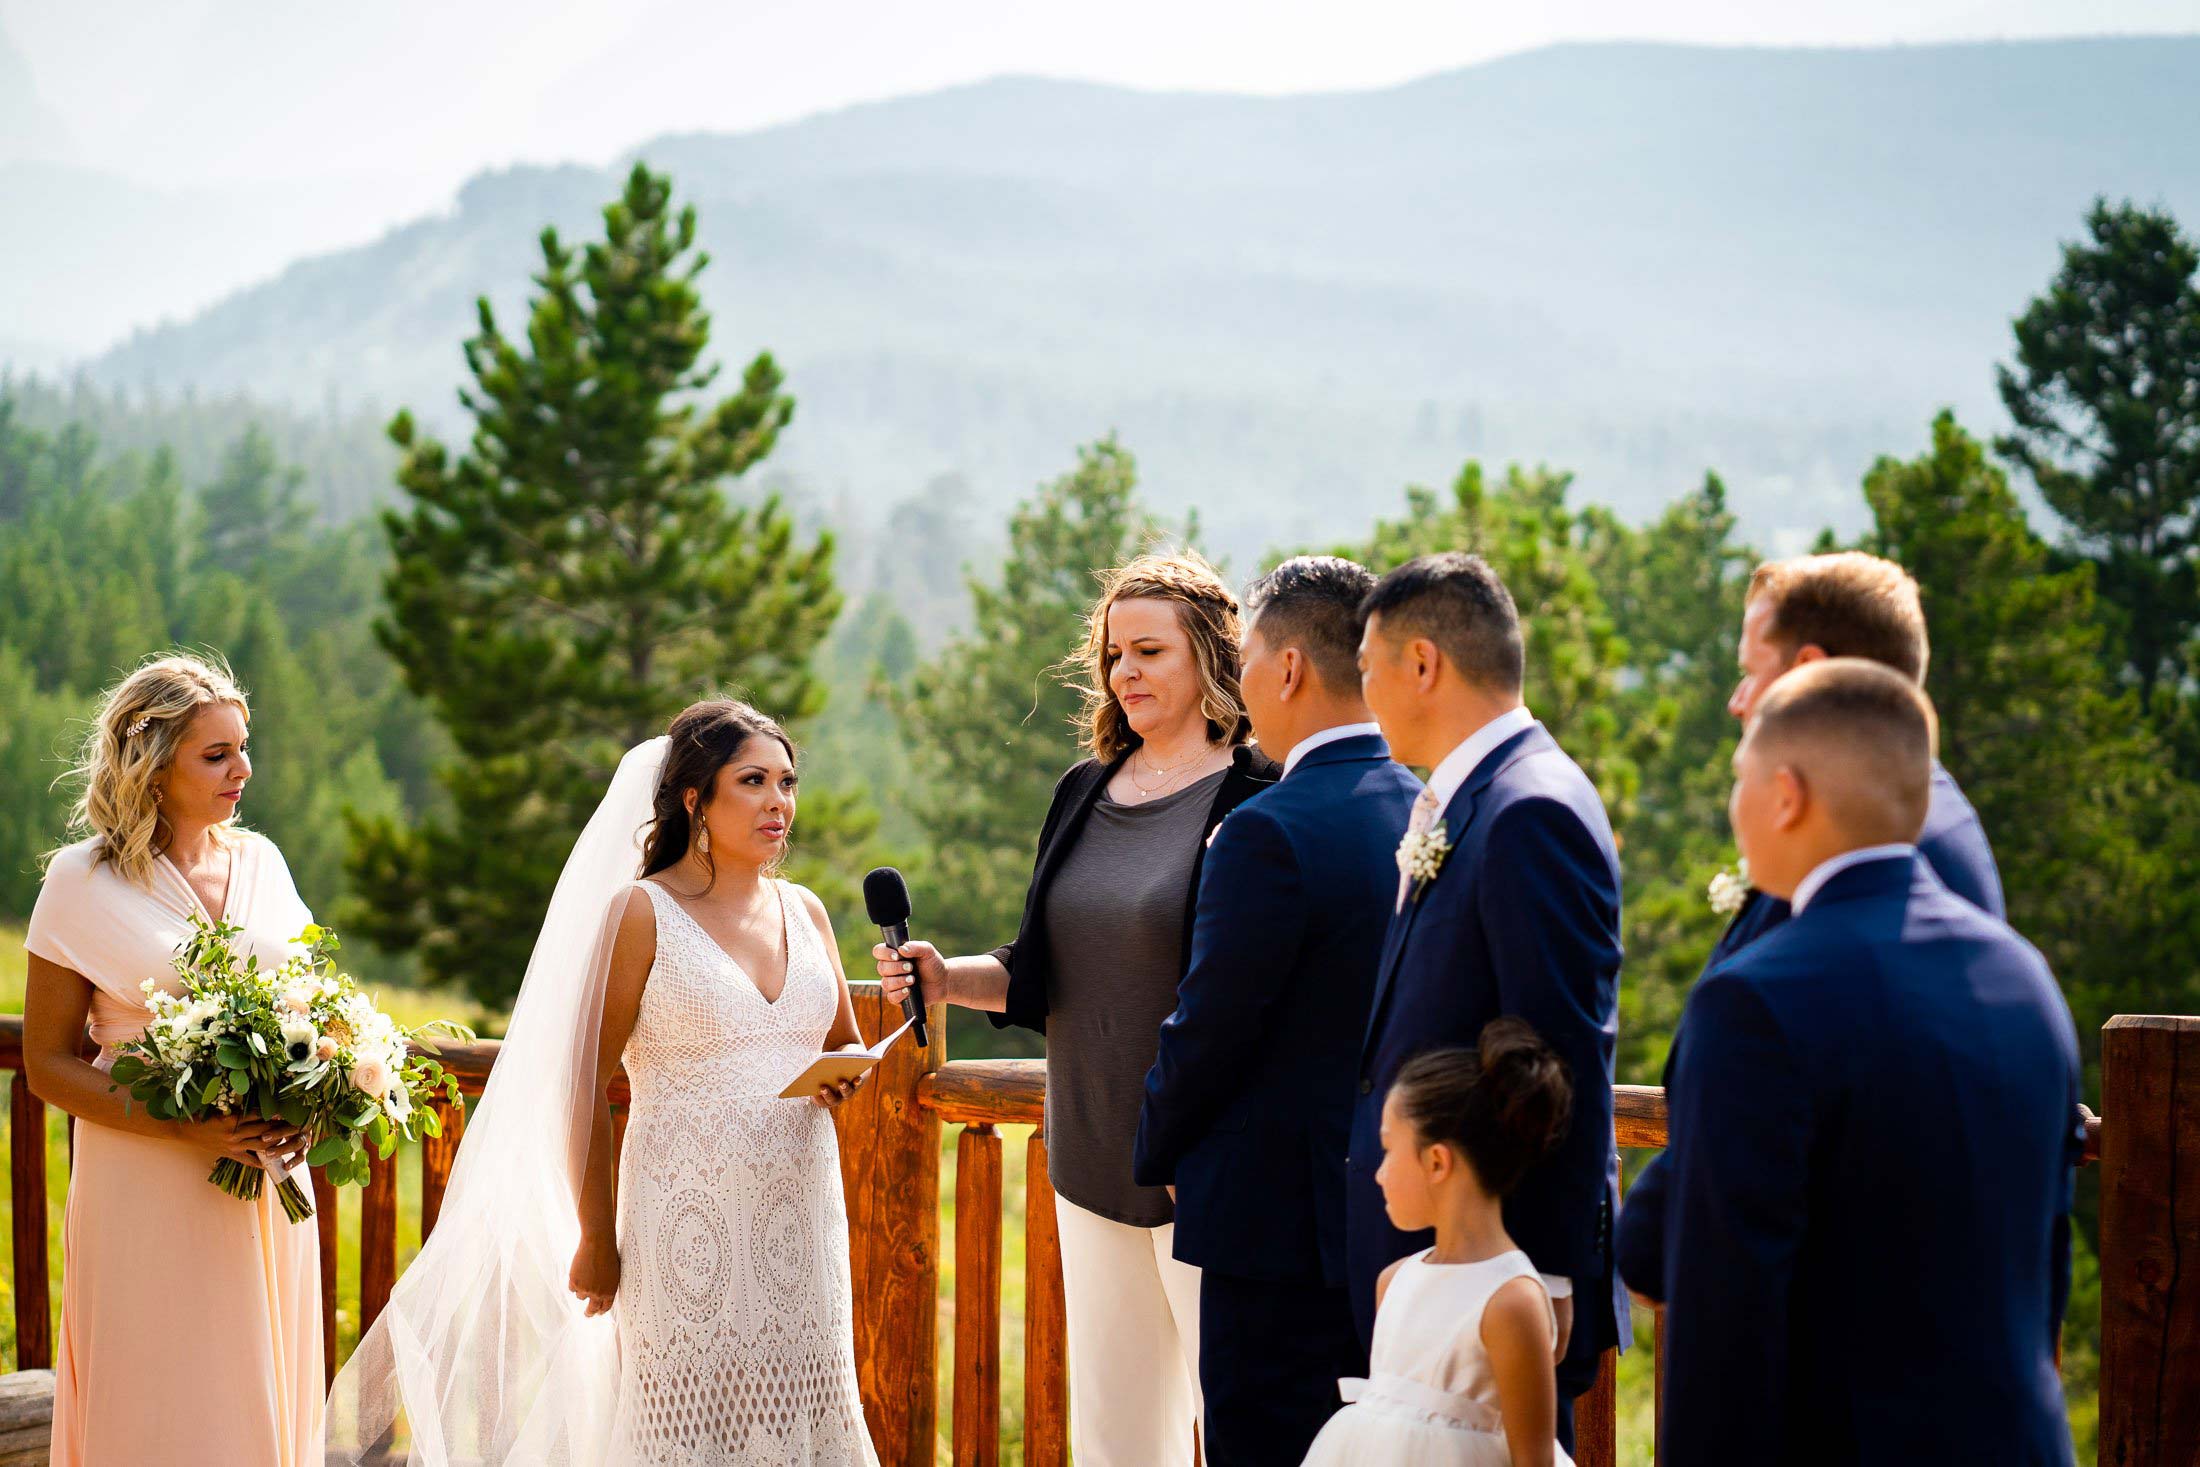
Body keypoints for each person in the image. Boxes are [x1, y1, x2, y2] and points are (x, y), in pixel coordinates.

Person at [329, 701, 879, 1465]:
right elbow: (584, 1077)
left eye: (786, 782)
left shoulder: (807, 910)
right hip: (683, 1226)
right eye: (752, 781)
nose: (778, 802)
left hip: (801, 1225)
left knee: (810, 1413)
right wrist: (596, 1236)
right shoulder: (642, 911)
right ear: (694, 797)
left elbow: (845, 1042)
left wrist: (841, 1079)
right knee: (682, 1428)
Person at [877, 551, 1278, 1467]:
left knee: (1246, 1432)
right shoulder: (1084, 789)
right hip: (1090, 1157)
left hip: (1210, 1174)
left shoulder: (1261, 792)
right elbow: (1041, 967)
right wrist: (947, 975)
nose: (1123, 673)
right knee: (1118, 1440)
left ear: (1212, 657)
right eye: (1111, 654)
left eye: (1148, 651)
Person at [1654, 659, 2081, 1466]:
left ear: (1786, 794)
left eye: (1740, 776)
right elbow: (2045, 1266)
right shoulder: (2025, 976)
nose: (1732, 803)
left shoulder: (1754, 1000)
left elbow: (1725, 1322)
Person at [1616, 550, 2005, 1305]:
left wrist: (1657, 1230)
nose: (1736, 698)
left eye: (1750, 667)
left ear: (1807, 670)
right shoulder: (1903, 819)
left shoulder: (1893, 853)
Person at [1132, 556, 1422, 1467]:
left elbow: (1210, 1023)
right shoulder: (1424, 805)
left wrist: (1157, 1145)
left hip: (1273, 1226)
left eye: (1249, 653)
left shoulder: (1267, 828)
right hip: (1399, 1208)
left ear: (1289, 667)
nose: (1244, 675)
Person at [1348, 553, 1628, 1452]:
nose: (1364, 693)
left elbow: (1558, 1058)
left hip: (1500, 1294)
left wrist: (1537, 1277)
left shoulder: (1526, 812)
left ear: (1422, 664)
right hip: (1442, 1277)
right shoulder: (1468, 800)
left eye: (1367, 669)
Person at [23, 653, 322, 1466]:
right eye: (215, 753)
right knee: (163, 1397)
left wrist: (316, 1092)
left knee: (260, 1395)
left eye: (243, 746)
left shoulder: (263, 862)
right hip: (146, 1179)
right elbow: (47, 1061)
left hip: (267, 1176)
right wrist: (183, 1126)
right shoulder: (80, 881)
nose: (243, 769)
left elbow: (313, 1009)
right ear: (152, 764)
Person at [1304, 1021, 1576, 1467]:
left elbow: (1534, 1458)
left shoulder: (1512, 1302)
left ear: (1436, 1162)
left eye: (1389, 1150)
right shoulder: (1392, 1282)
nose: (1378, 1172)